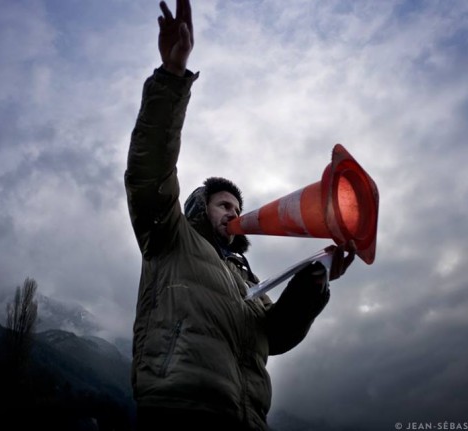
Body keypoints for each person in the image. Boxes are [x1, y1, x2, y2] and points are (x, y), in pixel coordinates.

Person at [124, 1, 356, 430]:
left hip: (246, 417)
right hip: (180, 410)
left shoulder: (246, 278)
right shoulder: (170, 237)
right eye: (223, 205)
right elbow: (149, 169)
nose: (233, 212)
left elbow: (274, 337)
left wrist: (313, 283)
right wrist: (172, 78)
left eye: (237, 207)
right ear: (198, 209)